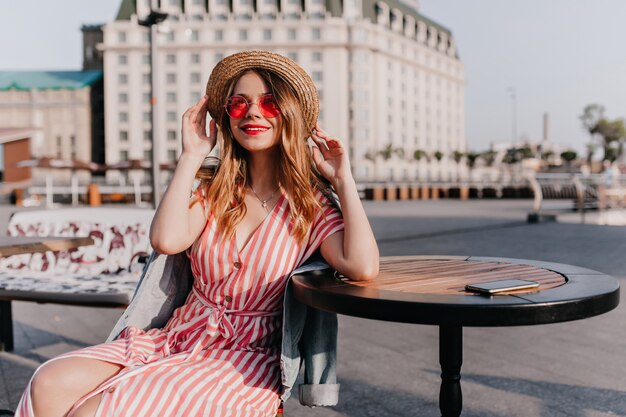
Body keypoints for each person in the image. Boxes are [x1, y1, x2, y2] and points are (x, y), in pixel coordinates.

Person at [15, 50, 379, 417]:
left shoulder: (309, 206)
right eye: (238, 104)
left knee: (97, 411)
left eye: (269, 102)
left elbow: (361, 267)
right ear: (226, 117)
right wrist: (191, 156)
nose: (253, 112)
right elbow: (166, 240)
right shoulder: (214, 191)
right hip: (176, 337)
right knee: (48, 381)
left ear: (290, 113)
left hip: (243, 362)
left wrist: (343, 179)